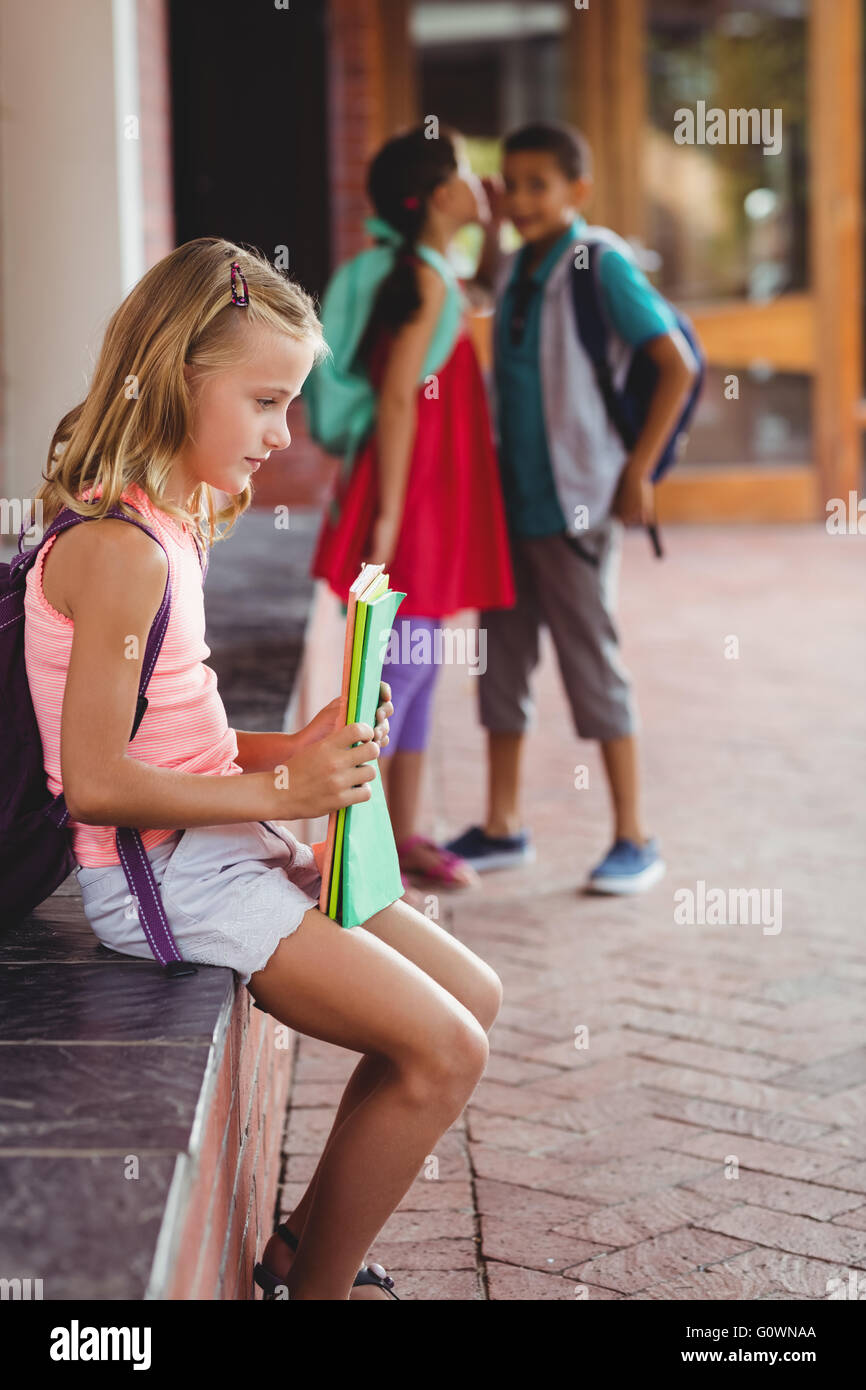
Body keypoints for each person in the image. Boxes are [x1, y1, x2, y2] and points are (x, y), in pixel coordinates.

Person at [24, 237, 502, 1300]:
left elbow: (177, 734)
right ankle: (315, 1288)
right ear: (178, 376)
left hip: (224, 839)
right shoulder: (117, 551)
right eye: (265, 401)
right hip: (164, 879)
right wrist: (283, 793)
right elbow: (98, 782)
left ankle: (295, 1247)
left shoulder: (168, 525)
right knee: (441, 1050)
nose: (284, 434)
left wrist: (299, 745)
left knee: (471, 992)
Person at [446, 121, 700, 893]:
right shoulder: (524, 264)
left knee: (592, 663)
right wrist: (488, 225)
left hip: (580, 501)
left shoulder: (602, 262)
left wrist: (639, 471)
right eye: (511, 184)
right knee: (503, 666)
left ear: (576, 192)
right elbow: (486, 288)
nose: (521, 199)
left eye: (537, 185)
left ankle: (634, 835)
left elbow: (677, 364)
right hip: (512, 505)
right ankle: (503, 825)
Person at [309, 125, 516, 891]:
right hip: (413, 492)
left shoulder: (432, 270)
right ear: (436, 199)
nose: (480, 187)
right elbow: (398, 397)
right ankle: (357, 850)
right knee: (399, 667)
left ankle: (400, 834)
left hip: (428, 488)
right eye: (466, 174)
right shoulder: (425, 278)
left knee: (420, 663)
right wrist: (390, 521)